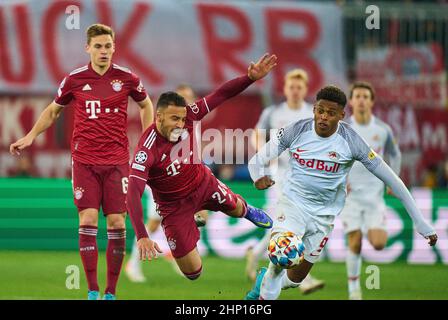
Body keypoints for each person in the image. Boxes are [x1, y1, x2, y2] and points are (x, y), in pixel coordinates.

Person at [245, 85, 438, 300]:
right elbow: (257, 160)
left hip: (323, 217)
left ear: (341, 115)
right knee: (281, 259)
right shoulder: (296, 130)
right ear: (314, 110)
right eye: (320, 110)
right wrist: (257, 177)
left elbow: (393, 179)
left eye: (330, 113)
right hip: (292, 205)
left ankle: (264, 281)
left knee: (294, 279)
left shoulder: (352, 141)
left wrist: (421, 222)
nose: (323, 117)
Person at [9, 24, 154, 300]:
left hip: (117, 163)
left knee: (117, 224)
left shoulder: (127, 78)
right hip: (85, 161)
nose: (103, 51)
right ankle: (92, 290)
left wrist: (146, 141)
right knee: (87, 219)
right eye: (98, 46)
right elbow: (53, 111)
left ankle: (110, 292)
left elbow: (146, 104)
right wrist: (30, 136)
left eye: (107, 46)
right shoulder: (75, 79)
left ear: (114, 48)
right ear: (88, 48)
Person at [126, 53, 277, 280]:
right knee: (194, 273)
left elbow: (221, 94)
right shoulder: (146, 151)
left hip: (203, 184)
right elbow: (132, 196)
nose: (180, 124)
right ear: (158, 117)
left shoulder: (190, 115)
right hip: (174, 208)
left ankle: (248, 210)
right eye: (174, 119)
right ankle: (190, 232)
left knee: (236, 208)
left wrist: (249, 78)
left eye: (181, 118)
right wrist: (142, 236)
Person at [246, 68, 324, 295]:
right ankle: (302, 277)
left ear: (305, 89)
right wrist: (264, 154)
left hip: (306, 177)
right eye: (292, 87)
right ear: (286, 89)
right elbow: (257, 133)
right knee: (284, 226)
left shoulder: (313, 113)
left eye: (299, 87)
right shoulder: (273, 112)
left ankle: (257, 255)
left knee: (285, 227)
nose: (295, 91)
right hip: (278, 176)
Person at [125, 84, 208, 282]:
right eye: (183, 98)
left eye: (189, 98)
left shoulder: (192, 122)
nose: (187, 103)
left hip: (185, 178)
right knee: (154, 223)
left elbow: (195, 153)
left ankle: (179, 254)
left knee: (200, 216)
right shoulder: (167, 125)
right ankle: (134, 263)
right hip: (162, 181)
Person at [340, 81, 402, 300]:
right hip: (351, 197)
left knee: (378, 244)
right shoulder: (344, 129)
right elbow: (334, 156)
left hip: (374, 197)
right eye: (357, 96)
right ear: (351, 101)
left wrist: (393, 179)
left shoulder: (383, 130)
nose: (361, 100)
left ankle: (365, 226)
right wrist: (339, 179)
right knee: (354, 242)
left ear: (372, 101)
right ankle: (354, 289)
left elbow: (395, 154)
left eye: (366, 96)